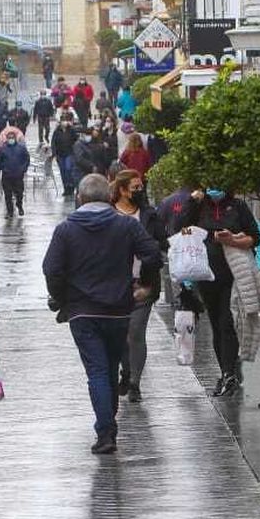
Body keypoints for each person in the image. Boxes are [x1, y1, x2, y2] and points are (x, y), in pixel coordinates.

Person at [42, 174, 162, 454]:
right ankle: (108, 426)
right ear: (110, 198)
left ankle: (106, 431)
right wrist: (144, 284)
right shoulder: (125, 226)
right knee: (109, 366)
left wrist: (61, 298)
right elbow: (153, 254)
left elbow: (52, 269)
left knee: (97, 370)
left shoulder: (66, 230)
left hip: (83, 311)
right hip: (119, 309)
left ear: (79, 199)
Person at [167, 186, 260, 397]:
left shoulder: (238, 206)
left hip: (234, 273)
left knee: (227, 322)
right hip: (206, 276)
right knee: (217, 324)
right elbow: (178, 229)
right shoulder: (198, 208)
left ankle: (229, 375)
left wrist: (233, 240)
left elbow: (254, 237)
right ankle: (226, 371)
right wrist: (192, 201)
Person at [111, 171, 167, 402]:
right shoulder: (108, 213)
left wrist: (151, 250)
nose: (139, 191)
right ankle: (125, 370)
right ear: (122, 190)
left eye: (140, 186)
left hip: (144, 283)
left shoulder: (149, 214)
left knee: (136, 331)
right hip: (114, 286)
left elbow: (163, 242)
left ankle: (134, 381)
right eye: (134, 187)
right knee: (118, 334)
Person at [0, 128, 30, 217]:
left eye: (12, 137)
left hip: (18, 175)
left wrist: (23, 169)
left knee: (19, 193)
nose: (11, 139)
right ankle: (10, 211)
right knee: (7, 195)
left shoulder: (21, 148)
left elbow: (27, 159)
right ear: (7, 139)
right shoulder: (3, 149)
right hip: (6, 175)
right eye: (9, 138)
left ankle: (19, 205)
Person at [51, 119, 79, 196]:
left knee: (68, 168)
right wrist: (54, 153)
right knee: (63, 171)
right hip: (60, 154)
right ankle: (66, 188)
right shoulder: (57, 132)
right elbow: (53, 143)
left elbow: (76, 140)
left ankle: (71, 186)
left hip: (69, 153)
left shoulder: (71, 130)